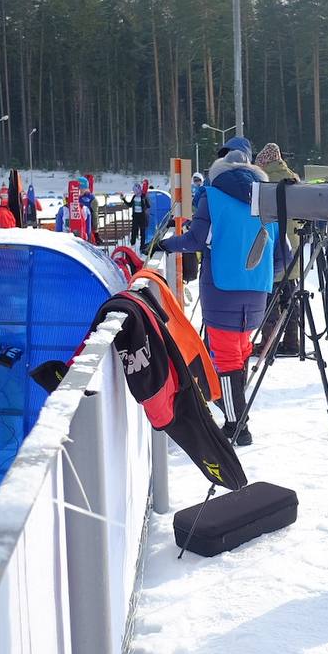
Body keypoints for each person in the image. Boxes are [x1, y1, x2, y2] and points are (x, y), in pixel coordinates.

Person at [158, 150, 285, 446]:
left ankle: (236, 425)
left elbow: (195, 240)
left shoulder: (212, 197)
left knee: (226, 356)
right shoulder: (266, 200)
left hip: (221, 288)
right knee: (239, 350)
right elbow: (282, 255)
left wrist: (166, 245)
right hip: (257, 289)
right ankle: (235, 412)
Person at [254, 142, 303, 357]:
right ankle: (293, 343)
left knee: (270, 300)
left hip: (274, 248)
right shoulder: (295, 179)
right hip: (294, 249)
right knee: (291, 299)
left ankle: (268, 343)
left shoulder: (263, 182)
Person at [122, 183, 150, 247]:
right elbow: (130, 205)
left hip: (142, 216)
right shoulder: (134, 197)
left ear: (139, 190)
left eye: (135, 190)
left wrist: (144, 204)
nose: (135, 192)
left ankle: (142, 246)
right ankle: (132, 244)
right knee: (134, 230)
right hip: (135, 216)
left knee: (142, 232)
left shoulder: (143, 196)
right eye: (134, 190)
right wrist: (124, 199)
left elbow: (148, 206)